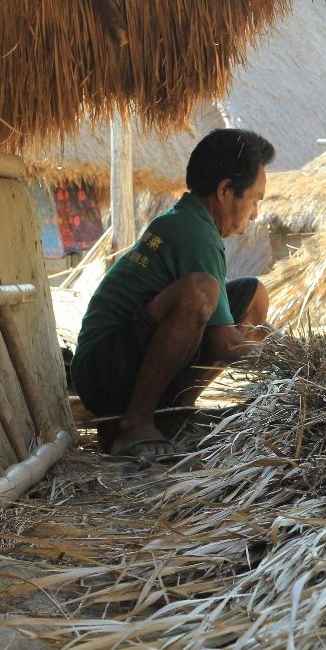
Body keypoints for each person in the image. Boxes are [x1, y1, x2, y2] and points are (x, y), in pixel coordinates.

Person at [71, 128, 276, 460]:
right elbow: (222, 344)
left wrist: (272, 346)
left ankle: (173, 414)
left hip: (127, 359)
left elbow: (225, 331)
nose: (255, 214)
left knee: (254, 295)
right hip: (102, 372)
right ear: (226, 190)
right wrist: (291, 359)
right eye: (255, 200)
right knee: (201, 292)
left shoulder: (193, 223)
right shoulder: (194, 233)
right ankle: (135, 423)